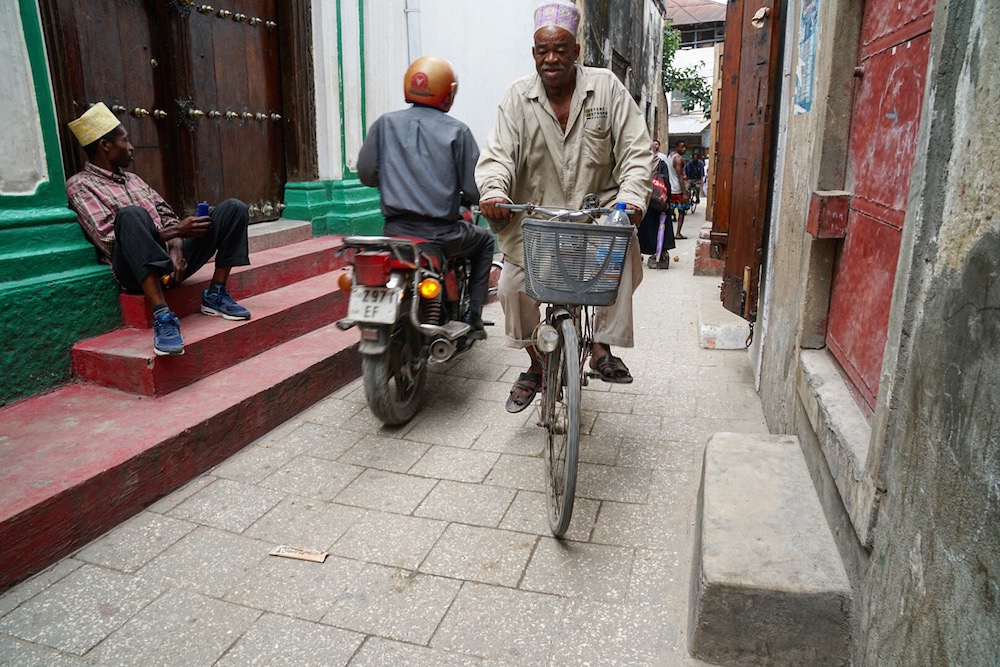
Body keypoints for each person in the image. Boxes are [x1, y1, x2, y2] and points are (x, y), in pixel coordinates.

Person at [477, 0, 652, 413]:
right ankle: (536, 364)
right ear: (534, 53)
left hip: (597, 219)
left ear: (577, 51)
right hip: (535, 224)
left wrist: (631, 199)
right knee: (510, 287)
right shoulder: (517, 99)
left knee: (624, 248)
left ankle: (601, 346)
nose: (551, 59)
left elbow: (636, 151)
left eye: (560, 49)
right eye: (542, 51)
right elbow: (498, 155)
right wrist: (495, 192)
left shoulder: (607, 88)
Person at [66, 102, 251, 357]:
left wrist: (176, 248)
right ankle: (163, 317)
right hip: (135, 272)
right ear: (105, 146)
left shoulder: (134, 180)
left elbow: (167, 215)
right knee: (131, 215)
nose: (131, 147)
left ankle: (216, 294)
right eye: (125, 140)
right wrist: (174, 233)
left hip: (172, 264)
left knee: (234, 209)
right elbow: (109, 240)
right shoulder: (80, 186)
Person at [357, 55, 494, 338]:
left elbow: (367, 175)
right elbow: (473, 190)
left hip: (393, 234)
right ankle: (475, 315)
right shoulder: (457, 130)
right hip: (439, 235)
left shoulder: (384, 124)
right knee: (485, 242)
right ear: (448, 92)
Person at [638, 144, 676, 269]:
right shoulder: (660, 164)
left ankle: (640, 253)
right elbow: (666, 183)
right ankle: (660, 255)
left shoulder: (639, 165)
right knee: (660, 229)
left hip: (644, 202)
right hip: (659, 203)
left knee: (642, 230)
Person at [667, 140, 691, 239]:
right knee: (681, 211)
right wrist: (684, 192)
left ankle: (667, 234)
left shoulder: (670, 156)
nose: (684, 149)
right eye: (682, 147)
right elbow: (680, 176)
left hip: (670, 188)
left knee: (668, 212)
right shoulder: (678, 159)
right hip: (677, 189)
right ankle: (678, 233)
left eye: (685, 147)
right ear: (676, 147)